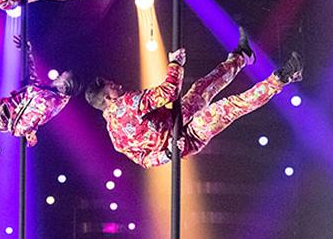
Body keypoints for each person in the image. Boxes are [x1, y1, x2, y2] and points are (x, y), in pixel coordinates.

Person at [86, 29, 302, 168]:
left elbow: (144, 161)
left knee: (203, 87)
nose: (118, 85)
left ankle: (243, 56)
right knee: (226, 108)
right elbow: (169, 92)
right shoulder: (126, 104)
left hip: (179, 119)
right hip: (188, 135)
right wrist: (175, 64)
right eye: (112, 86)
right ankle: (282, 78)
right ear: (107, 98)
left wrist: (167, 155)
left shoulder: (114, 136)